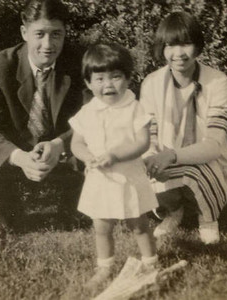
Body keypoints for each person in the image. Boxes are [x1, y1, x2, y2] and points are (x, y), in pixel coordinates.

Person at [0, 0, 85, 232]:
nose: (47, 44)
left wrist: (59, 144)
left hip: (64, 147)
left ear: (65, 34)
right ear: (24, 32)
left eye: (56, 35)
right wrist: (19, 157)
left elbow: (96, 119)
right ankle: (16, 220)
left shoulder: (79, 63)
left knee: (95, 154)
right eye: (39, 34)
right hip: (17, 147)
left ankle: (70, 214)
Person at [140, 11, 227, 244]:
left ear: (198, 45)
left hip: (206, 162)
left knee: (196, 169)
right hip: (164, 158)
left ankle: (208, 219)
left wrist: (171, 156)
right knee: (141, 169)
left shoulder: (217, 81)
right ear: (162, 49)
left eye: (186, 43)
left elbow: (213, 146)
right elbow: (148, 135)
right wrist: (152, 158)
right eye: (170, 45)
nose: (178, 54)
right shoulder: (152, 83)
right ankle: (174, 212)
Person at [69, 43, 159, 288]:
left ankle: (151, 262)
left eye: (116, 77)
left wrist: (117, 155)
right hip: (101, 179)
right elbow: (77, 143)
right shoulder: (88, 112)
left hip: (128, 176)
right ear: (88, 83)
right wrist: (86, 156)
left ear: (128, 79)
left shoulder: (134, 108)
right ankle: (105, 267)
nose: (108, 85)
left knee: (138, 224)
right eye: (99, 79)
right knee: (101, 226)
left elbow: (142, 142)